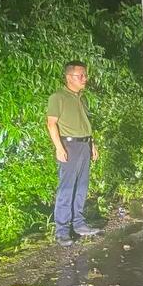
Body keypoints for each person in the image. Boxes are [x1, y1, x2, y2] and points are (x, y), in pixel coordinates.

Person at [46, 61, 102, 246]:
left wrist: (91, 144)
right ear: (69, 77)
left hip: (84, 144)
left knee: (82, 187)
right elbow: (51, 123)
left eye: (85, 75)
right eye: (81, 76)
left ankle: (79, 224)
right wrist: (59, 147)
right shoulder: (58, 97)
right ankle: (62, 231)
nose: (85, 79)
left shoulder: (81, 98)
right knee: (67, 188)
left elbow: (84, 123)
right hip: (69, 146)